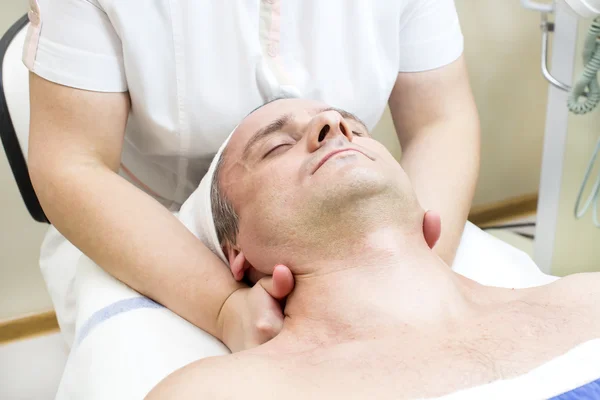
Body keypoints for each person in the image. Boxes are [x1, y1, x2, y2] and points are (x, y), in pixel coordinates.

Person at [25, 0, 480, 350]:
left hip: (356, 221)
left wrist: (411, 264)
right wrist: (223, 306)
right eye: (279, 144)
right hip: (147, 227)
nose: (333, 127)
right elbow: (73, 164)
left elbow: (441, 120)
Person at [149, 98, 600, 399]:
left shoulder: (588, 301)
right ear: (236, 251)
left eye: (359, 131)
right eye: (277, 145)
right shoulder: (222, 392)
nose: (334, 125)